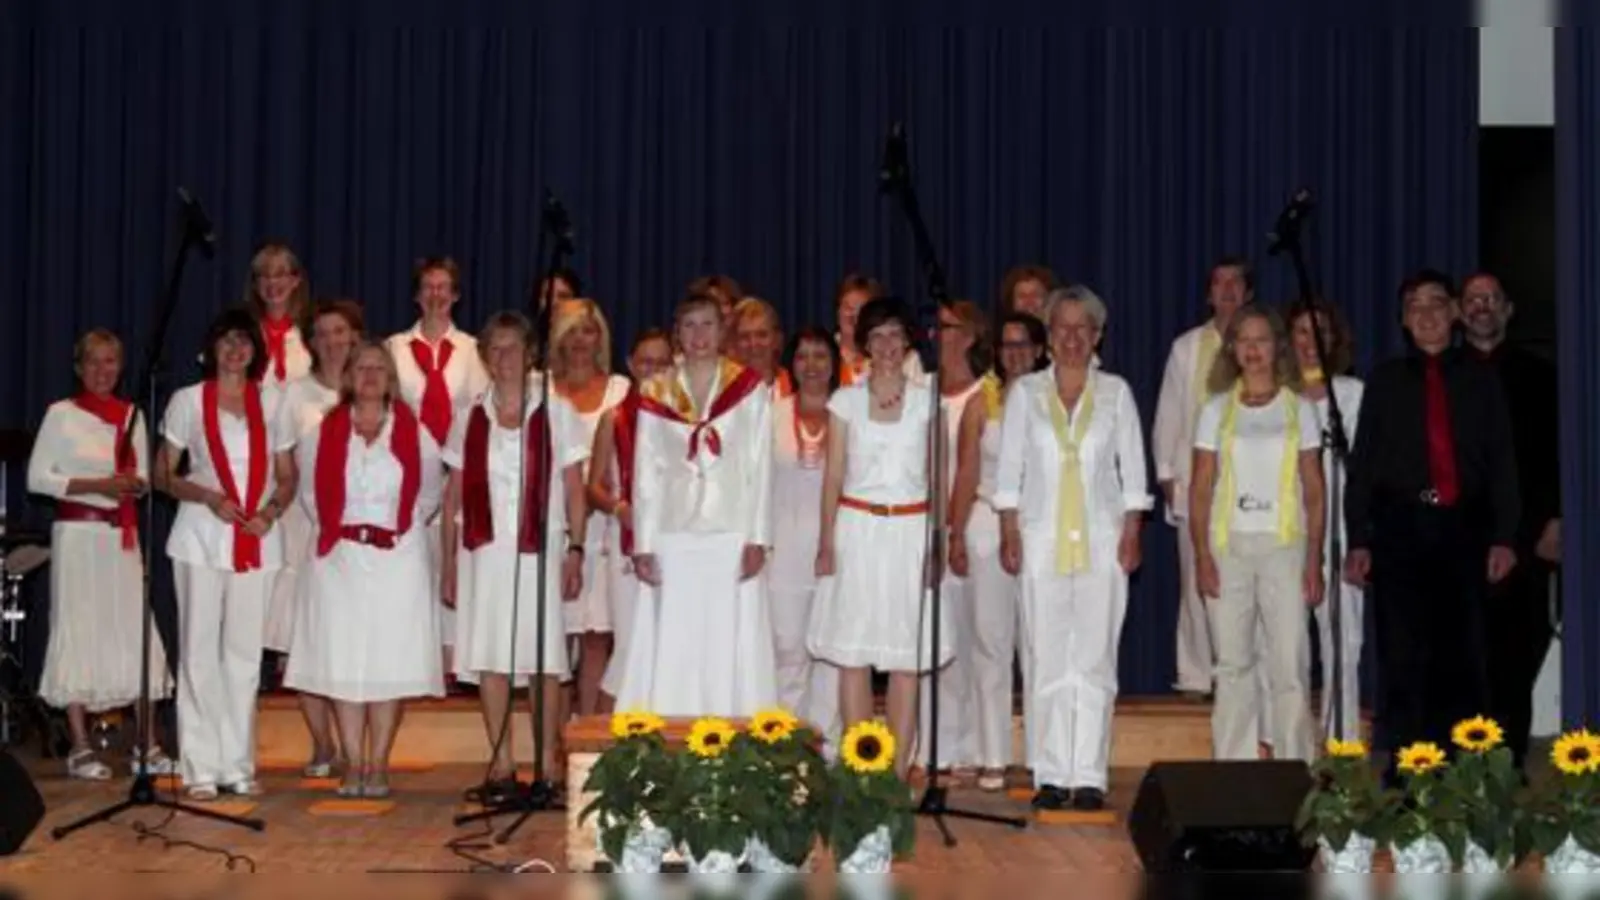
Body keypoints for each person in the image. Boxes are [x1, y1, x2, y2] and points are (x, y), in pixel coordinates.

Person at [1346, 270, 1519, 778]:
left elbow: (1503, 460)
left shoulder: (1483, 380)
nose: (1426, 314)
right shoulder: (1385, 382)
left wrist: (1506, 535)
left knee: (1464, 658)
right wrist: (1359, 538)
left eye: (1437, 303)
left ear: (1455, 314)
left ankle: (1465, 774)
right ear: (1403, 320)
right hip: (1401, 530)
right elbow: (1364, 466)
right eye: (1414, 306)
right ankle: (1406, 773)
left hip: (1464, 530)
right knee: (1402, 655)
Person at [993, 286, 1149, 811]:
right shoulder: (1026, 394)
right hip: (1040, 542)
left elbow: (1133, 471)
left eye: (1083, 328)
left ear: (1098, 335)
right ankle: (1051, 772)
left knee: (1095, 659)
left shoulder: (1117, 393)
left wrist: (1132, 531)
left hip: (1103, 542)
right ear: (1049, 335)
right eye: (1062, 327)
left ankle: (1089, 775)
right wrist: (1009, 531)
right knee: (1045, 659)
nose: (1073, 337)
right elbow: (1009, 470)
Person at [285, 342, 446, 798]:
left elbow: (429, 496)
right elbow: (312, 498)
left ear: (391, 378)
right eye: (362, 367)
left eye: (380, 367)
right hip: (339, 560)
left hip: (398, 558)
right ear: (348, 377)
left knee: (386, 664)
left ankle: (378, 763)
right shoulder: (321, 434)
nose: (371, 375)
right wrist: (348, 530)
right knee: (343, 663)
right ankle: (353, 761)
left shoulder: (417, 435)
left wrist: (393, 530)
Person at [441, 312, 589, 798]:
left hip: (539, 549)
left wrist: (576, 548)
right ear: (484, 357)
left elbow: (573, 488)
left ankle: (547, 763)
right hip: (485, 551)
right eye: (495, 349)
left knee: (544, 657)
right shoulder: (470, 415)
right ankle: (502, 762)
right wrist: (447, 564)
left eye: (513, 348)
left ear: (530, 354)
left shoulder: (556, 410)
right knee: (492, 655)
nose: (504, 358)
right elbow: (453, 497)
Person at [155, 307, 298, 800]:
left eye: (244, 341)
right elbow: (162, 474)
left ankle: (237, 764)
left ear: (255, 350)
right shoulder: (187, 401)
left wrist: (272, 511)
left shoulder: (273, 401)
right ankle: (198, 767)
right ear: (211, 349)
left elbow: (287, 475)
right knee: (198, 650)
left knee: (242, 655)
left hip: (256, 536)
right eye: (227, 340)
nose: (236, 350)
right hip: (200, 536)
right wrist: (207, 497)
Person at [615, 293, 776, 717]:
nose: (699, 335)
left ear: (723, 332)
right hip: (675, 531)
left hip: (730, 528)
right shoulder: (656, 391)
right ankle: (672, 726)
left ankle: (733, 727)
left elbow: (760, 467)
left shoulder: (749, 388)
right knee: (677, 634)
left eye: (708, 324)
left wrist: (758, 537)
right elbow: (646, 472)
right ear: (676, 336)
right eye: (689, 326)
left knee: (730, 634)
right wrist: (644, 544)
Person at [809, 296, 948, 777]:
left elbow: (938, 479)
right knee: (855, 655)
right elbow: (833, 476)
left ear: (908, 339)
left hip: (909, 532)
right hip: (858, 530)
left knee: (905, 658)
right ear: (864, 345)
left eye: (894, 333)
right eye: (877, 336)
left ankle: (896, 775)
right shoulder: (845, 401)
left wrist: (938, 542)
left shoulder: (930, 398)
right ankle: (859, 769)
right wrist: (827, 541)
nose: (887, 345)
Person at [28, 329, 175, 780]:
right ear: (79, 367)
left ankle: (146, 744)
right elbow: (38, 478)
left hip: (120, 539)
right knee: (78, 627)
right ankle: (81, 746)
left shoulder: (132, 415)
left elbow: (145, 478)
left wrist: (130, 485)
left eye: (111, 361)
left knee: (134, 630)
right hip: (78, 535)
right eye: (93, 361)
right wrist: (99, 485)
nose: (102, 370)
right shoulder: (61, 415)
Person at [1188, 304, 1325, 763]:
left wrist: (1314, 561)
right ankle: (1234, 768)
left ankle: (1296, 768)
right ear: (1232, 349)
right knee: (1232, 665)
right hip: (1229, 550)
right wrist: (1202, 557)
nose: (1252, 349)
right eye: (1243, 340)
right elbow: (1201, 488)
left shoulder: (1300, 409)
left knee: (1289, 663)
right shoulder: (1214, 410)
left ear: (1277, 346)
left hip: (1285, 549)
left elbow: (1315, 491)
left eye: (1261, 339)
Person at [1459, 272, 1560, 770]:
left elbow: (1557, 455)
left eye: (1492, 298)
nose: (1482, 307)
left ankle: (1509, 759)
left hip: (1527, 532)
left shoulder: (1540, 375)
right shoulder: (1445, 372)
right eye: (1473, 299)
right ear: (1461, 311)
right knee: (1463, 651)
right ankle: (1465, 761)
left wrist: (1556, 519)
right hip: (1459, 533)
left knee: (1521, 645)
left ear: (1508, 310)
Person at [263, 298, 363, 778]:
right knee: (302, 639)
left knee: (345, 637)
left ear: (354, 336)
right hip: (306, 527)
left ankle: (353, 746)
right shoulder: (294, 395)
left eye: (339, 331)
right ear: (310, 341)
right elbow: (283, 464)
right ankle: (323, 744)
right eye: (321, 333)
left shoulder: (370, 384)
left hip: (356, 529)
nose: (331, 341)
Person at [1152, 257, 1254, 695]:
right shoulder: (1186, 347)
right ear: (1209, 294)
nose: (1228, 290)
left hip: (1253, 485)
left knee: (1246, 583)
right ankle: (1196, 675)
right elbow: (1170, 412)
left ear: (1248, 293)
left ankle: (1243, 673)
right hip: (1197, 482)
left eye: (1236, 282)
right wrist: (1167, 474)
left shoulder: (1262, 343)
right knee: (1197, 580)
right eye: (1220, 282)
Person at [386, 257, 490, 669]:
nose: (435, 295)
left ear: (456, 295)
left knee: (453, 562)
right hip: (408, 471)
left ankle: (450, 663)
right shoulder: (395, 348)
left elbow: (481, 414)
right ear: (416, 295)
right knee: (413, 565)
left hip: (458, 469)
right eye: (428, 286)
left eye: (443, 287)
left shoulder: (473, 351)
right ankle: (410, 659)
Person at [1286, 300, 1366, 743]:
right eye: (1300, 331)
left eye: (1320, 332)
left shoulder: (1352, 394)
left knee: (1344, 644)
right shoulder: (1275, 396)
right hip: (1287, 535)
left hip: (1339, 533)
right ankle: (1290, 748)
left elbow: (1364, 468)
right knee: (1286, 648)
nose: (1311, 342)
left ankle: (1343, 745)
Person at [917, 300, 989, 779]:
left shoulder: (985, 394)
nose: (937, 335)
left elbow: (967, 468)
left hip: (964, 523)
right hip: (921, 525)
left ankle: (970, 745)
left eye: (947, 328)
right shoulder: (921, 390)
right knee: (928, 641)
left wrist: (952, 531)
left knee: (969, 637)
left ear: (969, 335)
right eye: (935, 327)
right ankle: (931, 746)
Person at [548, 298, 630, 716]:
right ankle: (556, 747)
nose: (581, 340)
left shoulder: (620, 389)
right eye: (572, 330)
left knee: (598, 635)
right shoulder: (539, 388)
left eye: (589, 330)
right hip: (554, 526)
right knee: (555, 638)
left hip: (605, 528)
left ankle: (589, 744)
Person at [589, 329, 675, 707]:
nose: (653, 370)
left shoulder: (681, 419)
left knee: (663, 646)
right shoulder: (614, 418)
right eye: (645, 362)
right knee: (628, 647)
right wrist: (619, 509)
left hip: (670, 544)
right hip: (625, 544)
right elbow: (593, 486)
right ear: (630, 365)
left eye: (661, 363)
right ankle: (603, 743)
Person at [767, 326, 843, 745]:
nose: (811, 366)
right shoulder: (772, 413)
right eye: (802, 357)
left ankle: (827, 750)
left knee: (831, 653)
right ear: (790, 365)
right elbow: (755, 486)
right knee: (788, 652)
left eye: (820, 356)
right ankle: (787, 751)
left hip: (837, 550)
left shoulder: (850, 413)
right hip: (784, 553)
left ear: (835, 364)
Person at [242, 243, 313, 418]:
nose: (272, 283)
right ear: (255, 284)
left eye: (280, 274)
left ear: (296, 281)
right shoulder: (241, 331)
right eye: (264, 276)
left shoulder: (313, 332)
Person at [834, 273, 925, 385]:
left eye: (861, 309)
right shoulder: (823, 353)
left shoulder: (904, 358)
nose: (853, 315)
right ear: (838, 311)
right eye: (848, 308)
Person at [732, 297, 788, 394]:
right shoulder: (718, 392)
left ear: (776, 340)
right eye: (744, 337)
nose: (753, 344)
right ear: (733, 343)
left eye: (762, 335)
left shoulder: (798, 389)